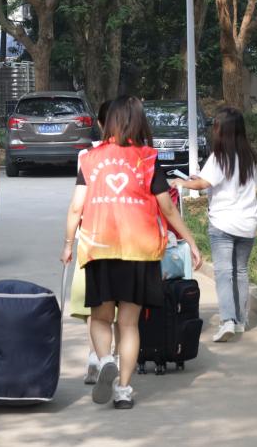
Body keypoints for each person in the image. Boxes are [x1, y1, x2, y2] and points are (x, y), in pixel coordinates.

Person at [61, 95, 203, 410]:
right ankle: (124, 390)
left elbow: (76, 207)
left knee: (100, 318)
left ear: (109, 122)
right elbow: (168, 209)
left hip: (100, 248)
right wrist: (191, 242)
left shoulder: (91, 159)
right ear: (139, 122)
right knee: (128, 324)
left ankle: (104, 360)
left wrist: (69, 243)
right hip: (140, 251)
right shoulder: (148, 159)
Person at [172, 106, 257, 343]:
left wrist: (182, 182)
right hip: (248, 223)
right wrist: (199, 180)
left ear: (222, 131)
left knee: (223, 273)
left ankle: (227, 320)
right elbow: (215, 181)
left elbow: (203, 184)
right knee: (240, 271)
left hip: (223, 224)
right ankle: (240, 320)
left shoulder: (219, 158)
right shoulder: (248, 157)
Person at [69, 99, 111, 385]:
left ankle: (95, 357)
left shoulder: (86, 156)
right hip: (126, 240)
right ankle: (111, 358)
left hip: (91, 238)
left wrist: (67, 241)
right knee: (119, 311)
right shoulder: (137, 155)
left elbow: (77, 205)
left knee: (92, 306)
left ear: (99, 123)